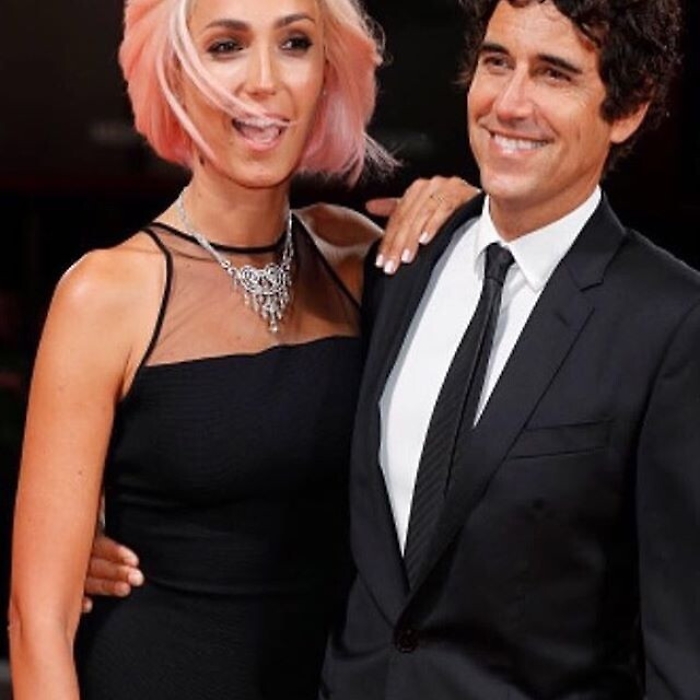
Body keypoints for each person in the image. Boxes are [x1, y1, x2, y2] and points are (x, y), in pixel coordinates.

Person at [84, 0, 700, 697]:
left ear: (628, 108)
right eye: (497, 62)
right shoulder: (397, 263)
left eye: (554, 74)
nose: (510, 102)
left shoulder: (672, 322)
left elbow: (682, 649)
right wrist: (104, 533)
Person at [8, 0, 477, 698]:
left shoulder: (359, 258)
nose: (264, 80)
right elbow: (37, 623)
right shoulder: (105, 295)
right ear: (176, 72)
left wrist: (472, 222)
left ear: (327, 72)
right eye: (226, 46)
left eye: (294, 43)